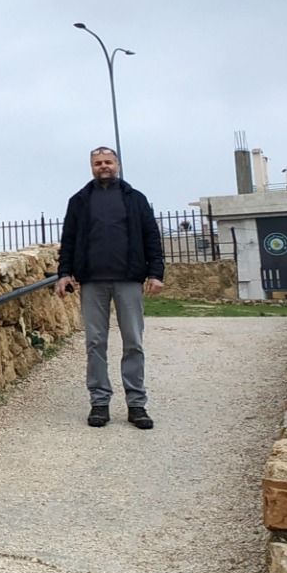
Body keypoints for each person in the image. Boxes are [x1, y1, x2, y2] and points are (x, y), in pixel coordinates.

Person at [55, 147, 165, 429]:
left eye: (107, 162)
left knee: (133, 342)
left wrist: (155, 273)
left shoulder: (135, 199)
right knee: (95, 343)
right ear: (91, 167)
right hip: (92, 281)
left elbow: (151, 236)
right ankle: (99, 402)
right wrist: (64, 273)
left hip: (128, 280)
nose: (103, 166)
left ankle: (136, 404)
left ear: (117, 164)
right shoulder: (79, 201)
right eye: (97, 163)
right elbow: (68, 239)